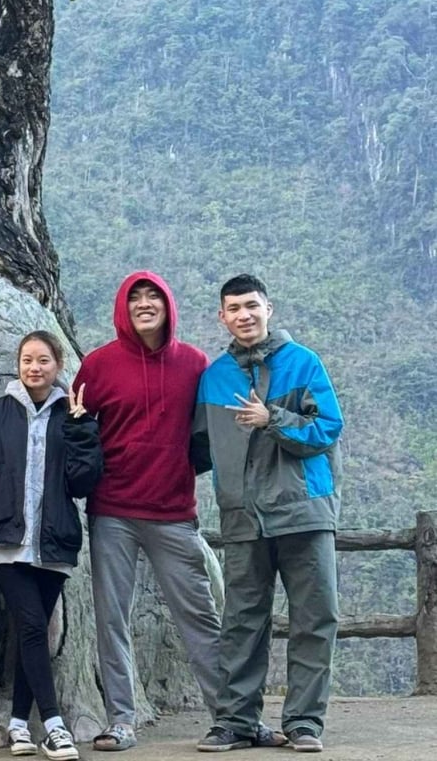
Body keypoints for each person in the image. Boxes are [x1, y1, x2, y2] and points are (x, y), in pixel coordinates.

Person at [72, 271, 229, 752]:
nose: (144, 303)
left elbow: (211, 431)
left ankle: (232, 717)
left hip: (174, 511)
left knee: (200, 617)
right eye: (135, 297)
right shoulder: (98, 365)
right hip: (112, 512)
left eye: (152, 296)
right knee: (112, 620)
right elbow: (76, 431)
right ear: (123, 307)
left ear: (167, 306)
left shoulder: (195, 364)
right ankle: (121, 720)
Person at [193, 275, 343, 754]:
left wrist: (272, 418)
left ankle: (304, 722)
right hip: (243, 517)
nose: (244, 315)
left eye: (251, 305)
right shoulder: (215, 377)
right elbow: (196, 447)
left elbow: (328, 428)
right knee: (241, 622)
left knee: (315, 618)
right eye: (234, 308)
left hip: (303, 511)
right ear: (222, 316)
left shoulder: (303, 362)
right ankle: (235, 722)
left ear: (268, 309)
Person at [0, 331, 102, 761]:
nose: (34, 368)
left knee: (32, 632)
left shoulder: (72, 417)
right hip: (5, 543)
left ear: (58, 365)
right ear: (17, 364)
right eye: (27, 360)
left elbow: (83, 483)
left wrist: (81, 430)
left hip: (54, 544)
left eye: (43, 360)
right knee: (32, 627)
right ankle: (55, 726)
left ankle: (19, 724)